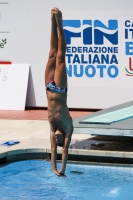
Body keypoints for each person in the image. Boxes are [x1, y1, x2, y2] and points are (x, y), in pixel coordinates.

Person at [44, 7, 73, 177]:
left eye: (56, 140)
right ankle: (59, 23)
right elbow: (64, 151)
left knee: (51, 55)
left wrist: (53, 169)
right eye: (59, 140)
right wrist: (63, 169)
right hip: (60, 90)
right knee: (61, 56)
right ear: (63, 138)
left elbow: (53, 151)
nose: (56, 139)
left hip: (48, 88)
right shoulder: (68, 128)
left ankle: (51, 21)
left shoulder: (52, 127)